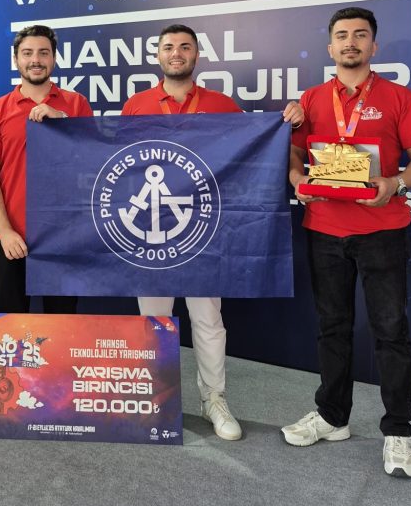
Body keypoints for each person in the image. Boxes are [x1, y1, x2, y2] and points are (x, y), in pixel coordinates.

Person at [122, 23, 303, 440]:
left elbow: (253, 151)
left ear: (196, 55)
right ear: (158, 55)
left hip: (204, 231)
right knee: (153, 319)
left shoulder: (221, 104)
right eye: (169, 47)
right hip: (151, 231)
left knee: (208, 318)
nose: (177, 53)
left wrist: (287, 124)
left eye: (185, 46)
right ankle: (155, 399)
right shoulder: (136, 105)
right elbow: (120, 162)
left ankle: (213, 398)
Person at [283, 6, 411, 478]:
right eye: (342, 35)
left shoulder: (398, 97)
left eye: (360, 35)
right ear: (330, 47)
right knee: (332, 327)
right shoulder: (310, 99)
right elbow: (293, 153)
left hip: (382, 231)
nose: (350, 42)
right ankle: (332, 416)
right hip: (324, 229)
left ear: (374, 45)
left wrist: (395, 183)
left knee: (390, 331)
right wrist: (295, 178)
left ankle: (398, 431)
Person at [0, 24, 93, 313]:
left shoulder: (76, 104)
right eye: (27, 53)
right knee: (10, 322)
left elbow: (92, 162)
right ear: (16, 59)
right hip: (13, 235)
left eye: (43, 52)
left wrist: (63, 121)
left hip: (64, 235)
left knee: (62, 321)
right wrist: (5, 230)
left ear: (54, 58)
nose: (36, 60)